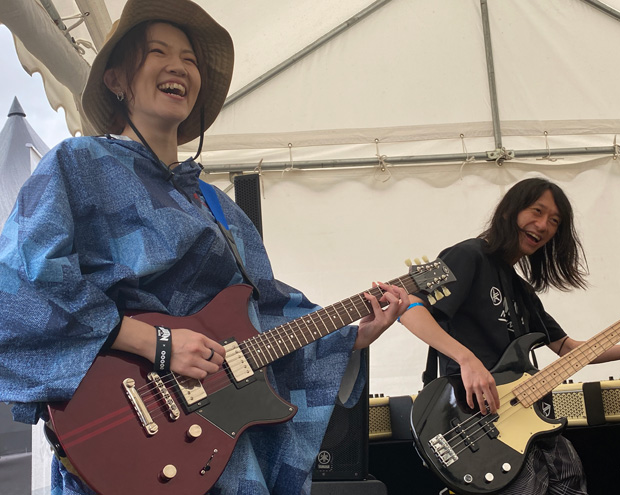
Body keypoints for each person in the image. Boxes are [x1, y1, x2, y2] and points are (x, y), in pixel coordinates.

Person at [0, 1, 408, 494]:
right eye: (158, 52)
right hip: (124, 431)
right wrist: (155, 342)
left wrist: (345, 337)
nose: (178, 67)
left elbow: (263, 314)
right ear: (116, 79)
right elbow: (20, 283)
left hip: (218, 446)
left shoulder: (221, 209)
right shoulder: (78, 164)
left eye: (190, 59)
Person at [399, 177, 620, 494]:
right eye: (537, 211)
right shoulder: (469, 255)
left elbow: (568, 349)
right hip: (476, 420)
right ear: (509, 211)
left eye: (555, 221)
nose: (544, 225)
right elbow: (408, 307)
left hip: (526, 420)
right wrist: (467, 360)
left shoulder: (522, 290)